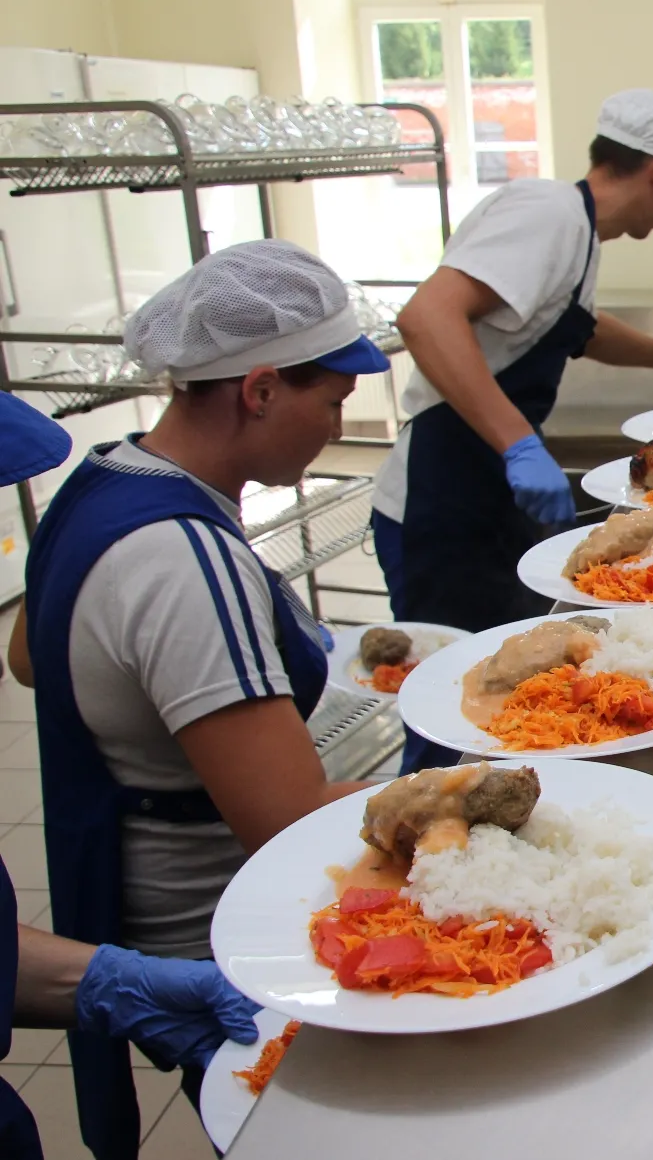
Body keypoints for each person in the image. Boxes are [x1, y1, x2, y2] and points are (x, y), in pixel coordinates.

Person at [7, 240, 386, 1155]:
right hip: (218, 919)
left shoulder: (102, 478)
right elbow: (284, 819)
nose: (337, 426)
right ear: (259, 391)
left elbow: (28, 653)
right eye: (331, 402)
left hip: (131, 879)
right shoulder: (184, 556)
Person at [370, 88, 653, 639]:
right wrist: (518, 444)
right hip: (440, 499)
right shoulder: (548, 214)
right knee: (450, 680)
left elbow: (579, 327)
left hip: (486, 490)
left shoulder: (579, 229)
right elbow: (426, 318)